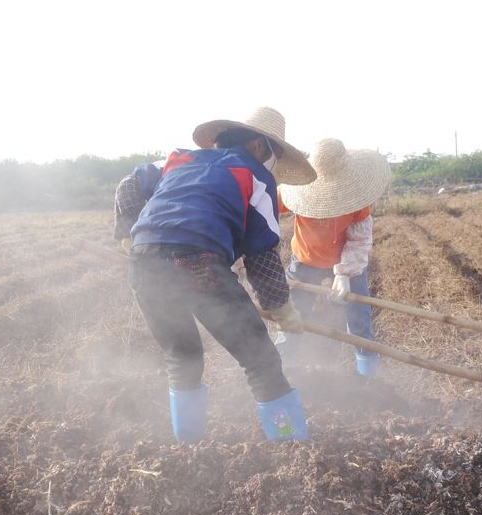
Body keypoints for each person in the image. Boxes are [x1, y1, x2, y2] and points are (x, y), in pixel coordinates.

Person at [117, 107, 317, 443]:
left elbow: (128, 185)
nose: (273, 164)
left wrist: (128, 232)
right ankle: (290, 445)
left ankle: (188, 445)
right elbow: (263, 253)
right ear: (258, 145)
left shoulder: (180, 159)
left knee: (183, 356)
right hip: (198, 265)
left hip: (145, 263)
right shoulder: (255, 176)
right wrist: (281, 308)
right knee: (260, 360)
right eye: (274, 154)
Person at [276, 138, 391, 377]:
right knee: (292, 315)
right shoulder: (296, 191)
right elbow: (263, 207)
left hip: (344, 261)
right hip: (305, 259)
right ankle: (283, 370)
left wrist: (345, 274)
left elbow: (359, 240)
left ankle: (370, 377)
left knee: (359, 318)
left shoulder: (356, 198)